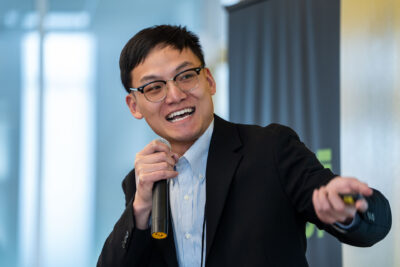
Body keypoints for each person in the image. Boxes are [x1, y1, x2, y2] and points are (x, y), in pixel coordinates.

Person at [97, 25, 391, 267]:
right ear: (134, 105)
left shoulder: (270, 149)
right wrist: (140, 208)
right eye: (154, 87)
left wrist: (350, 207)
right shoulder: (142, 184)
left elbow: (371, 222)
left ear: (209, 80)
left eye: (186, 76)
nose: (175, 95)